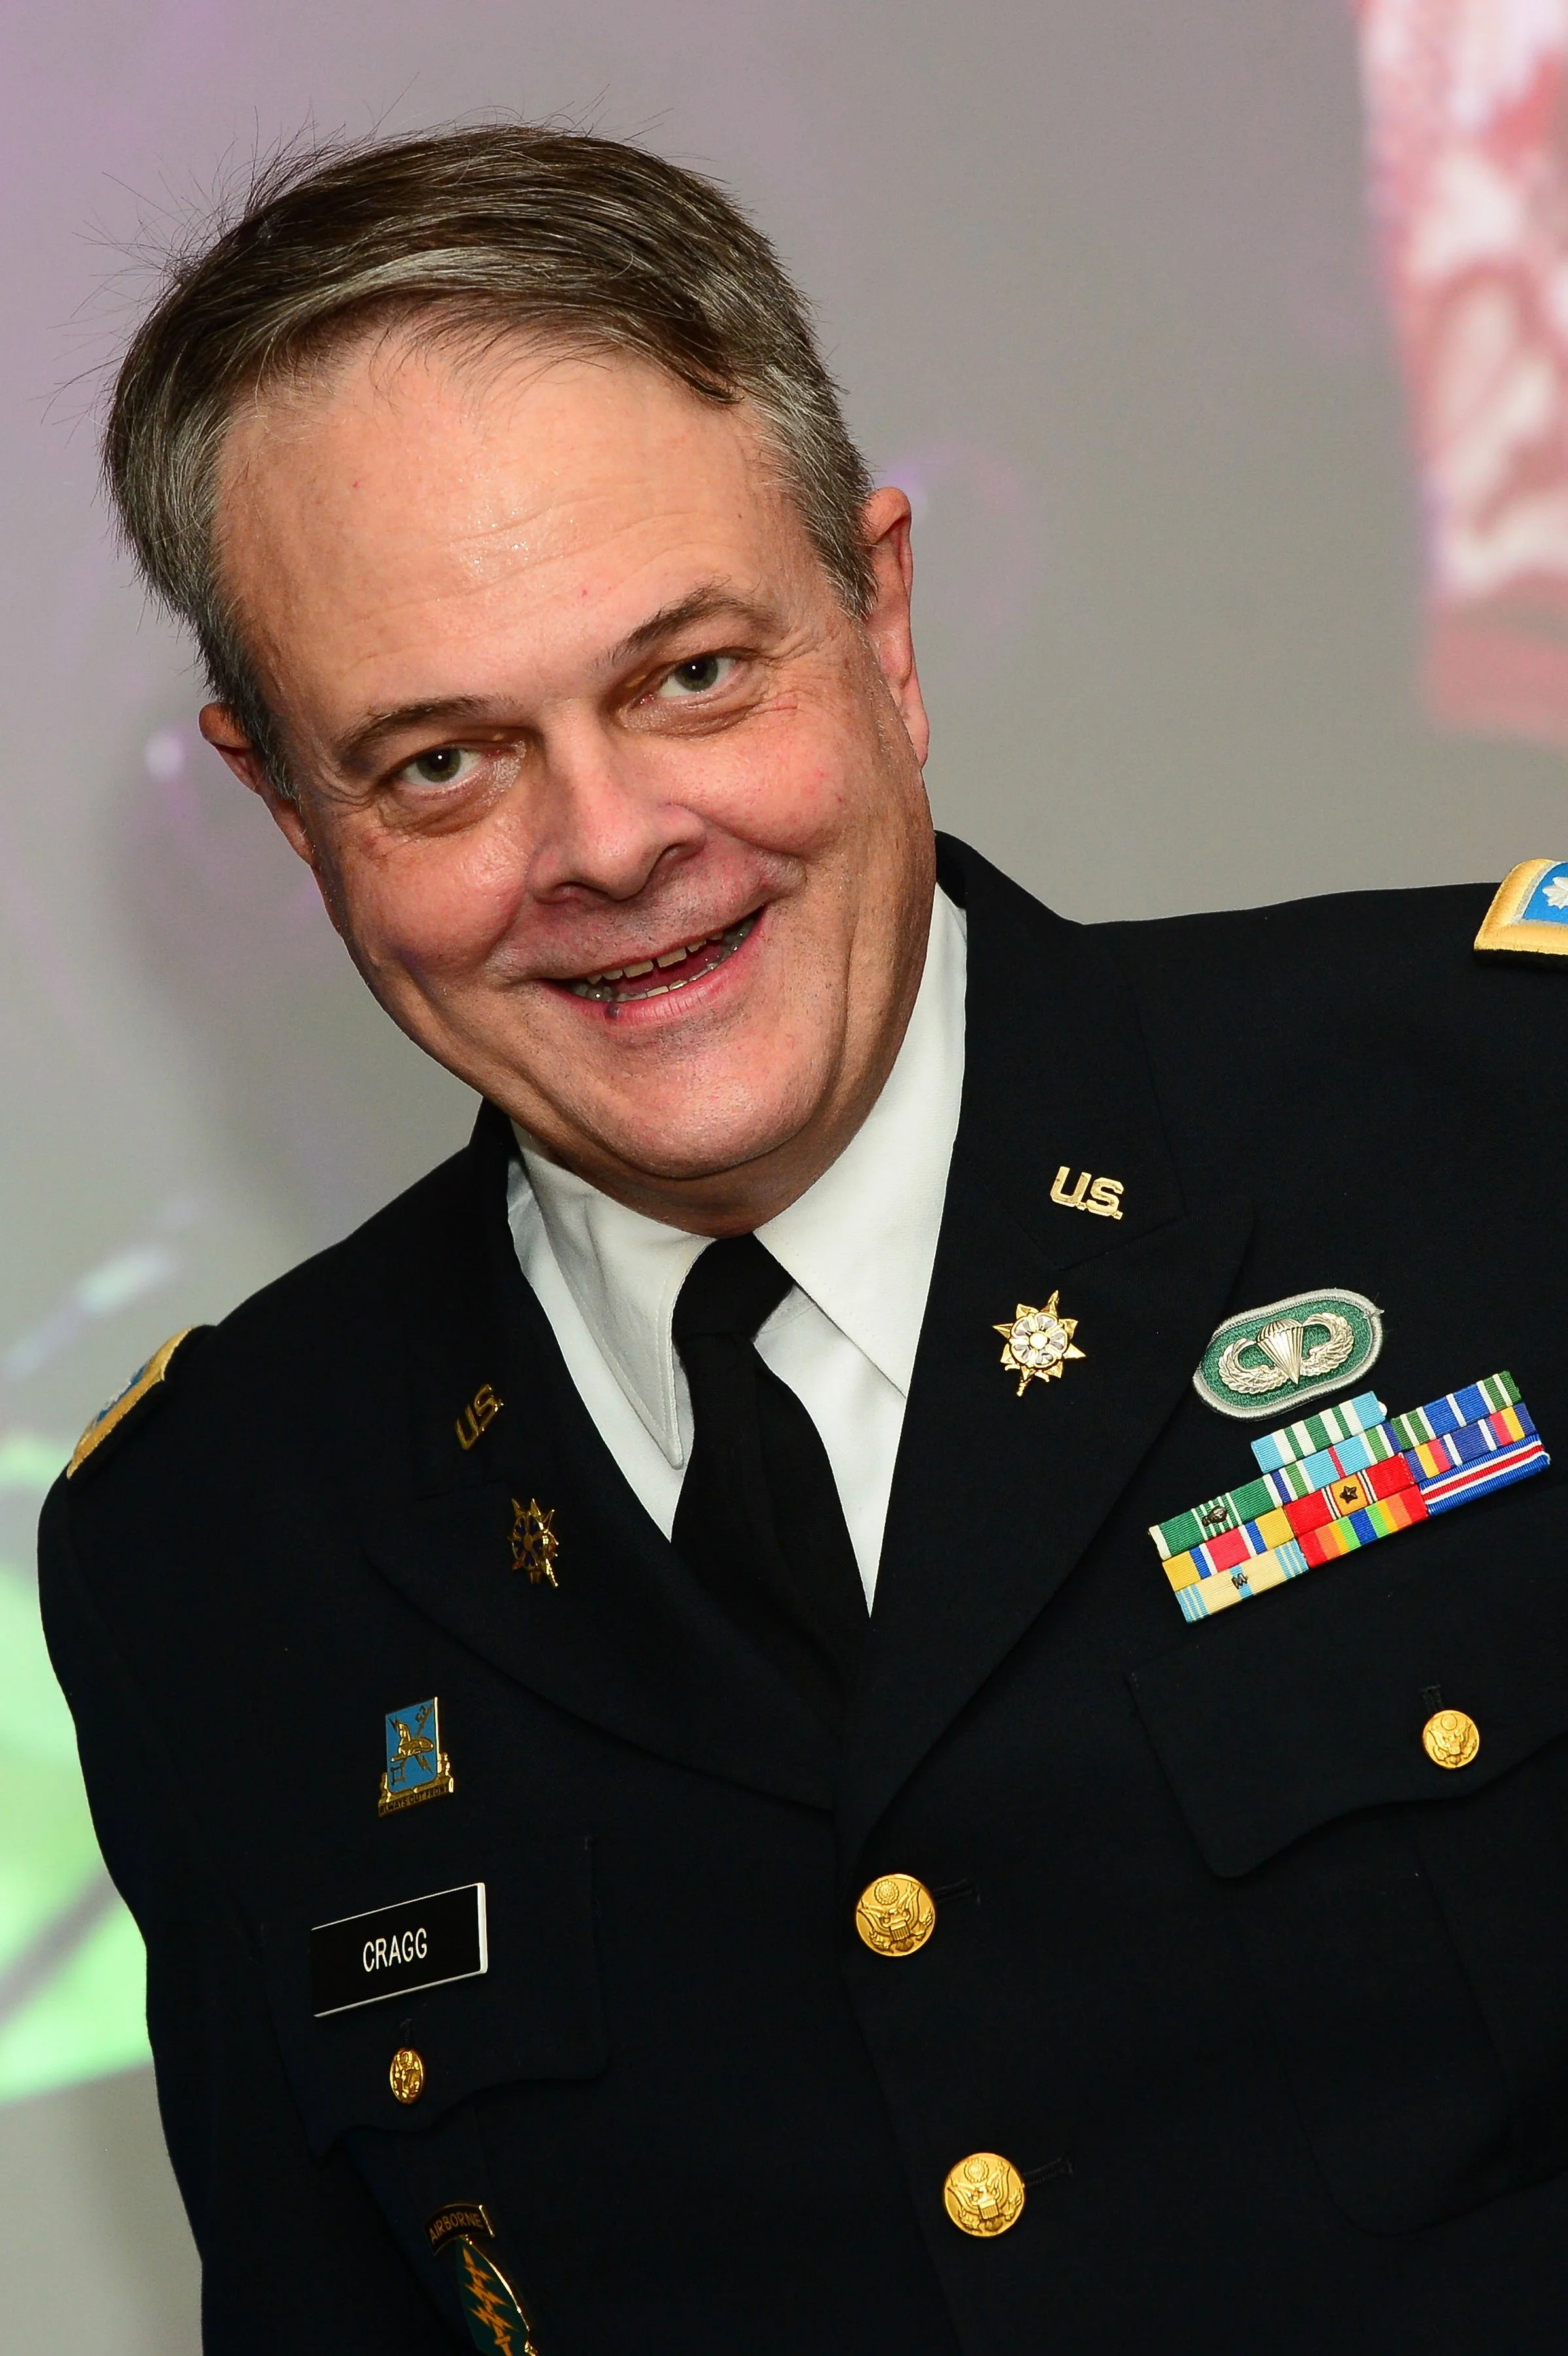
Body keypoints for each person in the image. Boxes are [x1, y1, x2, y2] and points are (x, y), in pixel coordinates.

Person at [39, 124, 1568, 2355]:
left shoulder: (1499, 1121)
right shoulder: (210, 1546)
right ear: (286, 809)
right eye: (442, 763)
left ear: (880, 621)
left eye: (687, 676)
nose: (608, 844)